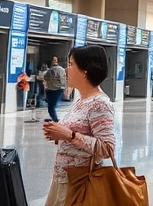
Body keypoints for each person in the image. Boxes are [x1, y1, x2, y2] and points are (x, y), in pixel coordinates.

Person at [41, 45, 116, 206]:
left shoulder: (100, 104)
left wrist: (70, 135)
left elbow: (107, 149)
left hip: (80, 184)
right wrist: (58, 134)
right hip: (63, 180)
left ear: (85, 70)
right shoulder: (81, 101)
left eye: (71, 64)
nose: (67, 69)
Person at [44, 56, 68, 122]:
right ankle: (55, 119)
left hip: (53, 89)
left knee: (51, 107)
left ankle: (55, 120)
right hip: (57, 89)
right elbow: (64, 79)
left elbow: (45, 78)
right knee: (51, 106)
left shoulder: (49, 70)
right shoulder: (61, 70)